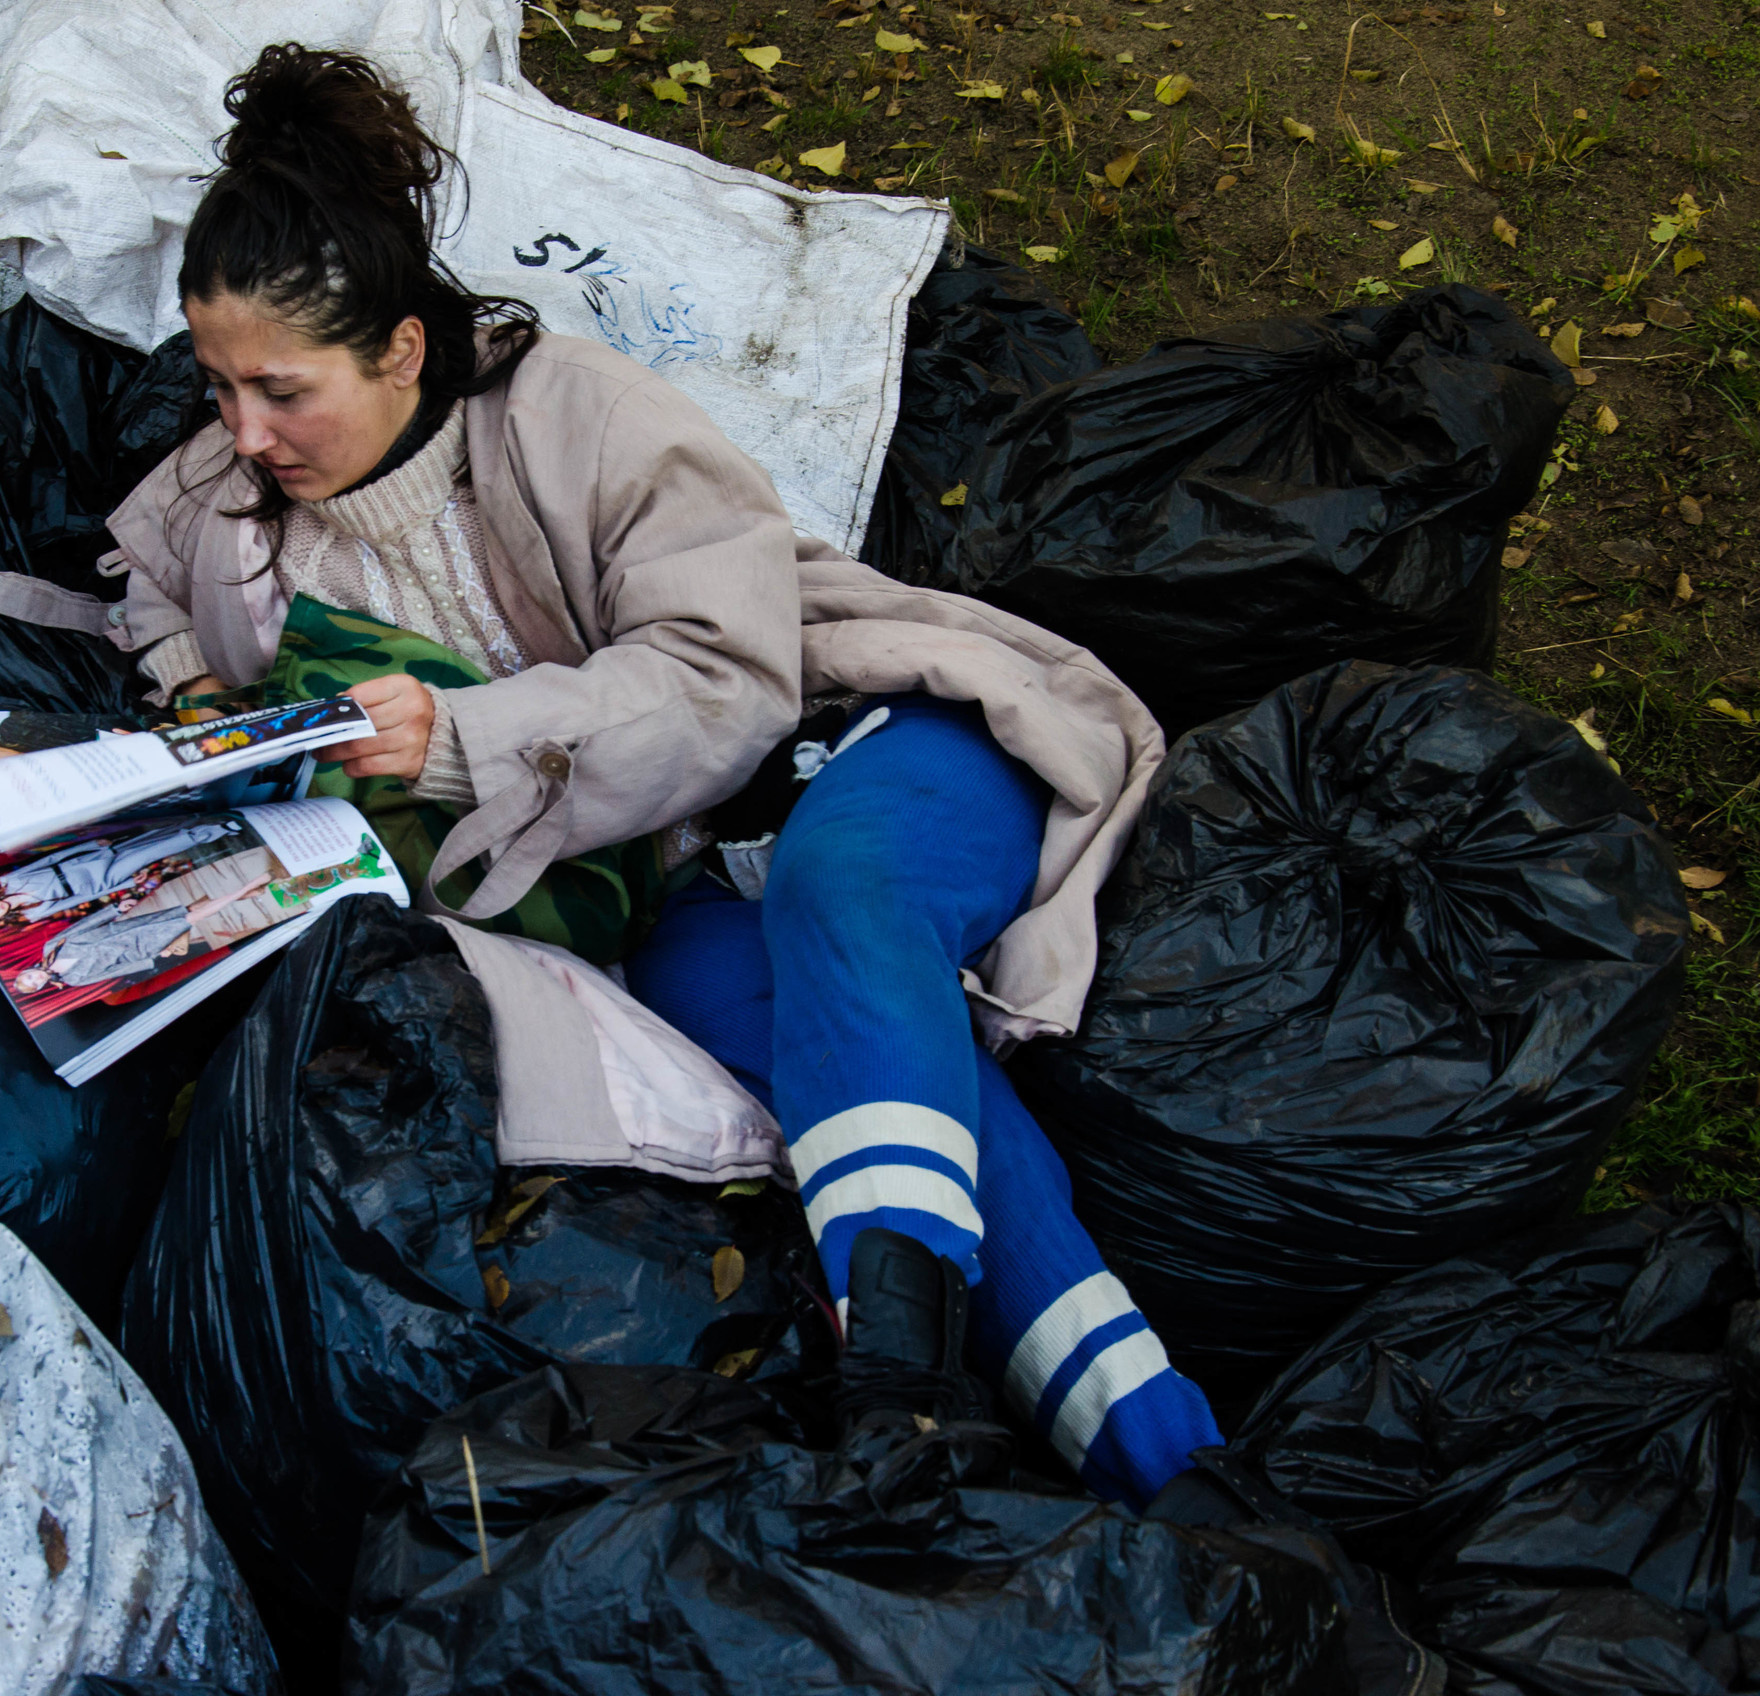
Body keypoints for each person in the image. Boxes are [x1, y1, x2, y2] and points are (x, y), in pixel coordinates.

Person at [84, 44, 1220, 1510]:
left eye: (282, 390)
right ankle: (1176, 1473)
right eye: (219, 386)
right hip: (666, 892)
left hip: (853, 748)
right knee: (854, 1063)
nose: (245, 431)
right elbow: (151, 588)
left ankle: (894, 1382)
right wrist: (189, 713)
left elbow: (728, 676)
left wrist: (464, 739)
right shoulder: (234, 515)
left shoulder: (575, 412)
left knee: (842, 894)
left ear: (405, 351)